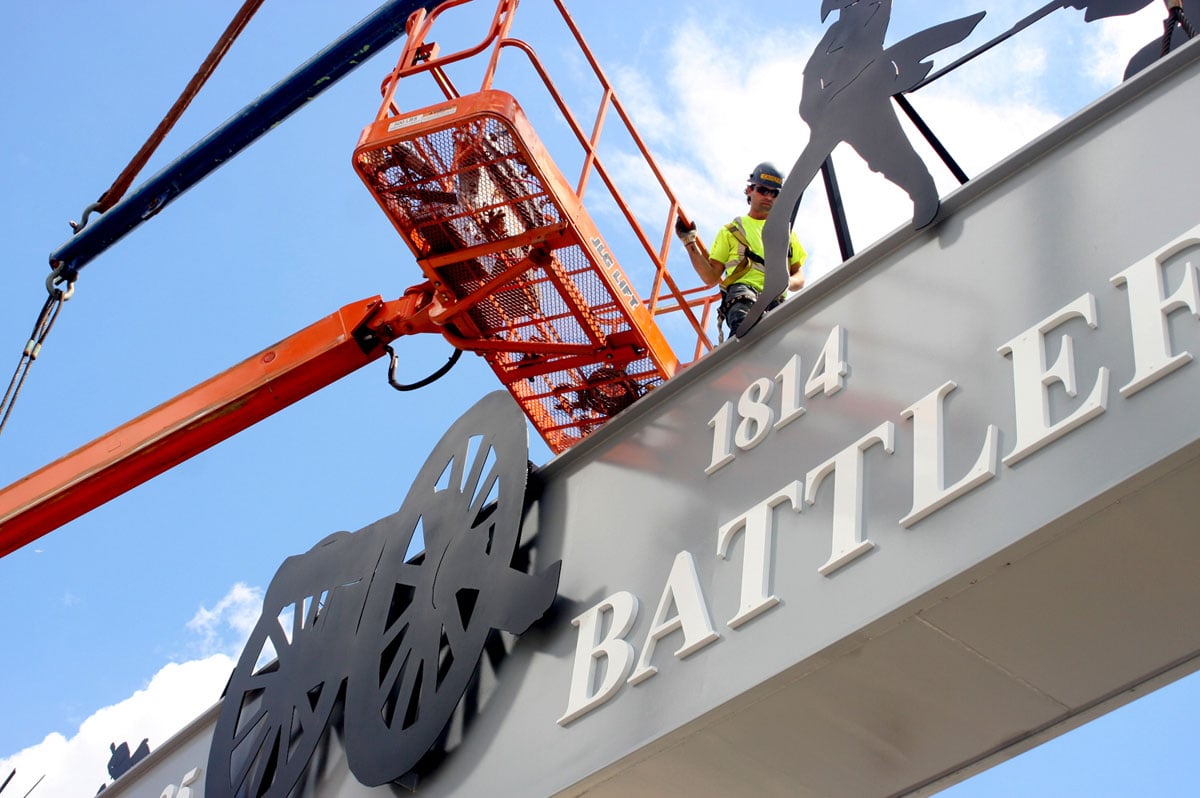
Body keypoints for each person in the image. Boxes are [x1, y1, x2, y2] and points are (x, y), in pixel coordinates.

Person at [677, 163, 806, 339]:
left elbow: (799, 276)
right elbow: (711, 277)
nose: (768, 196)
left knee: (782, 340)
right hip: (743, 292)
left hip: (776, 297)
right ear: (749, 190)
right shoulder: (732, 230)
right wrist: (689, 241)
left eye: (775, 193)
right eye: (763, 190)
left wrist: (786, 282)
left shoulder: (786, 233)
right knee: (744, 327)